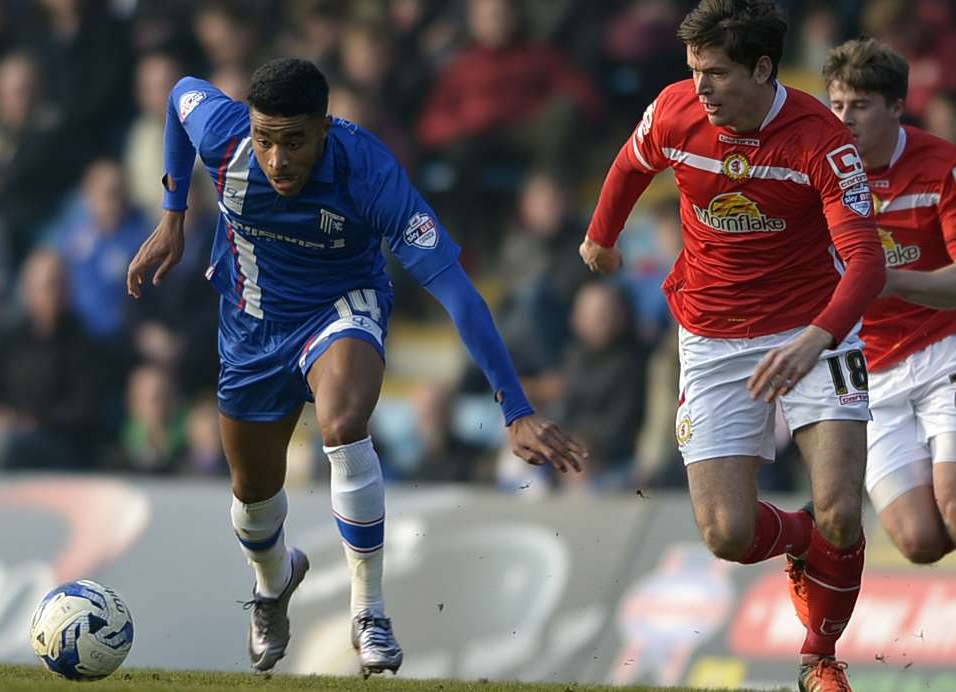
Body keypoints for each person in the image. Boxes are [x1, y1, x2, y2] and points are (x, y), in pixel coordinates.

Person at [125, 57, 585, 677]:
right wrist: (172, 213)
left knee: (343, 423)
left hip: (342, 308)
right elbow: (180, 95)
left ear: (324, 128)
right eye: (265, 141)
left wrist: (516, 408)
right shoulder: (224, 133)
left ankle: (369, 612)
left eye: (293, 143)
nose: (276, 160)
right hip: (251, 326)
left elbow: (460, 295)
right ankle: (273, 585)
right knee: (252, 496)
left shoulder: (369, 172)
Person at [579, 2, 885, 689]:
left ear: (763, 68)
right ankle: (802, 543)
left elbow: (866, 264)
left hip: (814, 326)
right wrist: (602, 235)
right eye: (693, 71)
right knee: (726, 533)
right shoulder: (675, 110)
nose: (701, 87)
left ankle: (819, 658)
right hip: (713, 337)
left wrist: (816, 338)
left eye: (715, 72)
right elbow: (631, 165)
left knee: (840, 508)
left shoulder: (820, 139)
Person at [824, 38, 956, 628]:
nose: (844, 118)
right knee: (922, 540)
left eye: (860, 105)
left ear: (897, 106)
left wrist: (888, 280)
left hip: (951, 350)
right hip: (872, 375)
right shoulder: (818, 176)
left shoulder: (944, 164)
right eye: (837, 103)